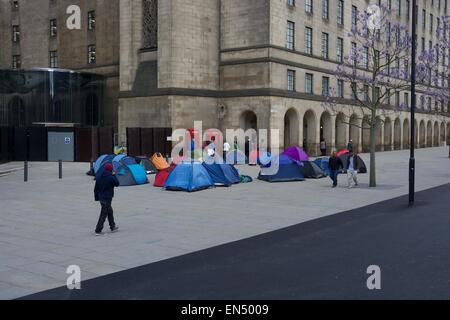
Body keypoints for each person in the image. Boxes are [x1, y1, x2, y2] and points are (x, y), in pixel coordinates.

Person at [94, 163, 120, 236]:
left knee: (110, 211)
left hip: (101, 197)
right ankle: (98, 230)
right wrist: (114, 175)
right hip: (107, 198)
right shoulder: (111, 177)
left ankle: (112, 226)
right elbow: (117, 184)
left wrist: (96, 198)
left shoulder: (99, 176)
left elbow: (96, 188)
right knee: (104, 213)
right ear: (111, 169)